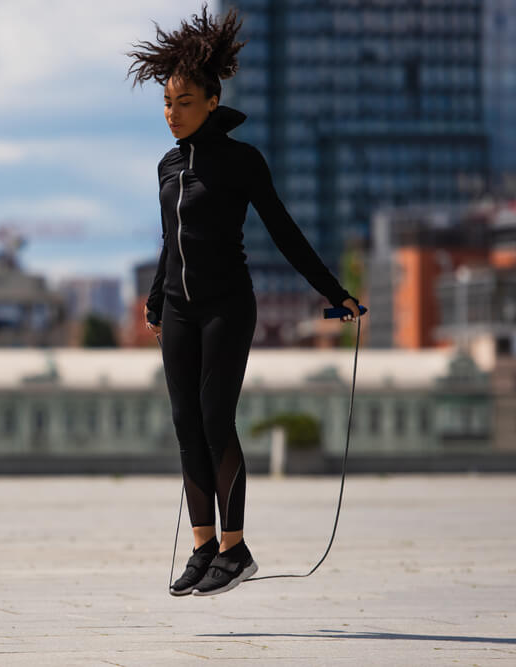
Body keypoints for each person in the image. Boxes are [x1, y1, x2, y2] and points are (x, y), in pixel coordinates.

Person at [127, 4, 360, 597]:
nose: (170, 113)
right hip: (178, 308)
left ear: (210, 101)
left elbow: (284, 229)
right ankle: (203, 545)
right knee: (185, 425)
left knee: (213, 418)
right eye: (165, 103)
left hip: (228, 304)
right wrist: (156, 300)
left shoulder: (241, 160)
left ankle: (236, 548)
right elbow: (169, 243)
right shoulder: (167, 167)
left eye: (182, 101)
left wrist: (333, 293)